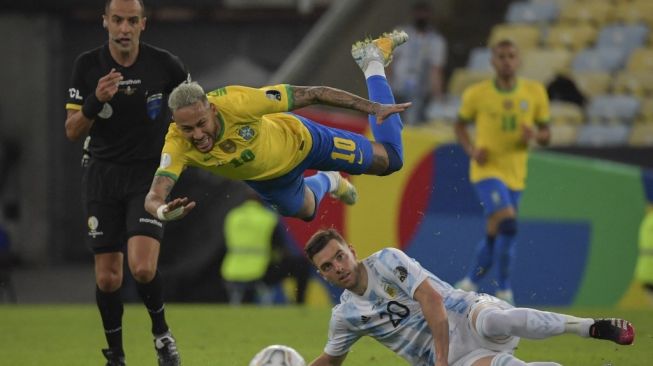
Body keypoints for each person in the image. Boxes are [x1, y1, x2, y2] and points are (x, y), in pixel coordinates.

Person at [144, 30, 411, 223]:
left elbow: (314, 93)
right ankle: (329, 181)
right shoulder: (176, 143)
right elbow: (155, 195)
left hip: (303, 141)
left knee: (391, 160)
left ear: (212, 109)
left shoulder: (239, 102)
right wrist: (161, 211)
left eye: (201, 124)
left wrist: (372, 107)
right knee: (307, 212)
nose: (198, 135)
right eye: (188, 129)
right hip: (270, 183)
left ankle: (372, 59)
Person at [304, 228, 635, 366]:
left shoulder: (388, 261)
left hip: (462, 314)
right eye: (328, 266)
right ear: (322, 274)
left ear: (352, 251)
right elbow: (331, 360)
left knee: (499, 319)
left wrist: (441, 361)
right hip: (458, 359)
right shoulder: (345, 317)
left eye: (340, 256)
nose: (338, 267)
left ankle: (590, 327)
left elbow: (432, 301)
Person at [63, 1, 188, 365]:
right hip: (102, 175)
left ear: (142, 25)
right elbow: (72, 131)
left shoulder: (167, 65)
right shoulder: (87, 66)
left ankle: (162, 336)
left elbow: (193, 110)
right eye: (117, 20)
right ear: (105, 22)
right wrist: (94, 101)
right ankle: (115, 355)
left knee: (143, 267)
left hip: (148, 176)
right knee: (107, 278)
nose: (124, 28)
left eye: (132, 21)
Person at [453, 39, 551, 304]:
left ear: (518, 61)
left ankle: (469, 282)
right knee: (507, 222)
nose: (506, 61)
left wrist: (536, 135)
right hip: (486, 170)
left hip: (516, 174)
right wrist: (472, 150)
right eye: (501, 56)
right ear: (493, 62)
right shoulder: (477, 94)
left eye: (511, 56)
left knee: (501, 230)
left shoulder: (534, 92)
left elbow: (546, 134)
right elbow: (460, 125)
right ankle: (505, 290)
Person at [221, 188, 310, 305]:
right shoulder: (268, 218)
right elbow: (280, 249)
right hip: (259, 272)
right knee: (301, 264)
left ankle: (245, 302)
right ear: (262, 199)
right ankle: (299, 304)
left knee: (248, 291)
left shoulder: (233, 216)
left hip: (232, 271)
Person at [389, 1, 447, 125]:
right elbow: (390, 60)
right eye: (419, 13)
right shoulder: (400, 33)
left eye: (424, 13)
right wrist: (385, 84)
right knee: (391, 120)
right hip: (397, 84)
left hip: (419, 90)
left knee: (411, 121)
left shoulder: (436, 40)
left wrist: (438, 95)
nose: (421, 17)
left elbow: (436, 70)